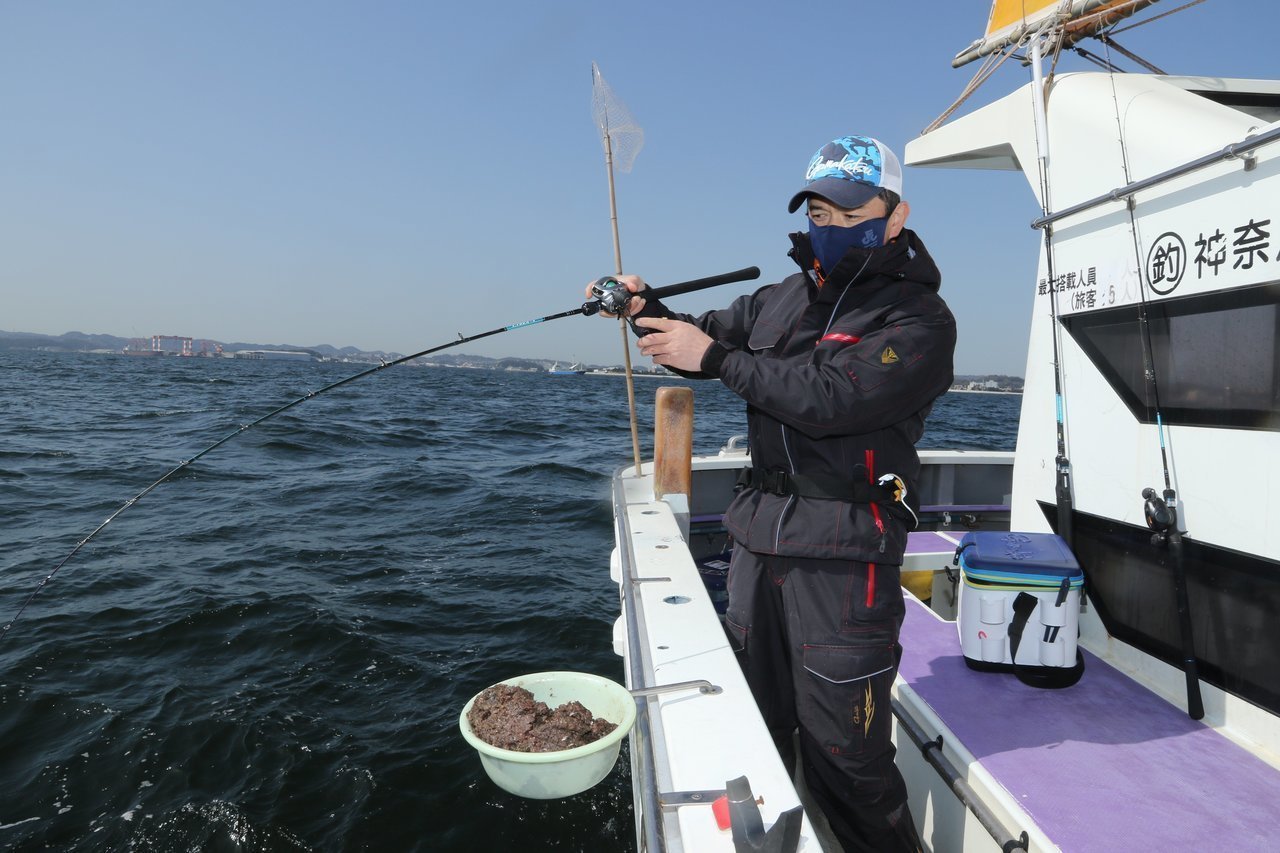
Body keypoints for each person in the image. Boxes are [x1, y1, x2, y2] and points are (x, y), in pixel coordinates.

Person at [587, 135, 955, 852]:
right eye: (820, 206)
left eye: (852, 209)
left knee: (849, 763)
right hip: (759, 542)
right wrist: (639, 302)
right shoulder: (779, 299)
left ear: (897, 214)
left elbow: (833, 397)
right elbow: (695, 336)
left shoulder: (919, 320)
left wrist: (718, 358)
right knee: (758, 726)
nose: (832, 221)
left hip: (844, 559)